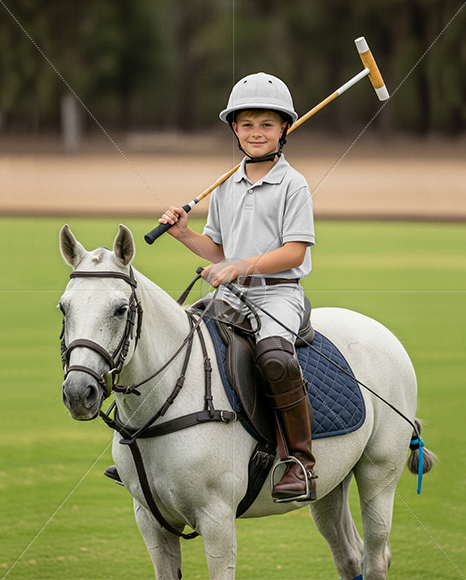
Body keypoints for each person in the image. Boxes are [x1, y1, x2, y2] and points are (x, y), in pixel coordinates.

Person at [158, 72, 317, 502]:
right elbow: (217, 251)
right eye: (247, 124)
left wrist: (240, 266)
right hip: (233, 295)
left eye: (266, 124)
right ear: (234, 129)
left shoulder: (293, 184)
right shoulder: (226, 185)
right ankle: (154, 450)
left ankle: (301, 462)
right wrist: (184, 235)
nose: (256, 133)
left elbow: (295, 252)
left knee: (275, 358)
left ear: (285, 128)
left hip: (277, 294)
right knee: (178, 340)